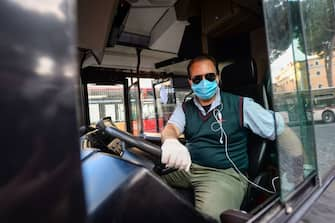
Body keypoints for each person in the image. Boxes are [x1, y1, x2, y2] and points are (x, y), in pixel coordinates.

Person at [160, 55, 285, 221]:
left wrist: (298, 166)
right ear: (190, 82)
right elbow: (171, 128)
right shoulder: (184, 108)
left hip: (224, 174)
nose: (204, 83)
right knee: (144, 181)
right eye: (197, 79)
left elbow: (277, 127)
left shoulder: (241, 104)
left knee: (209, 217)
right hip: (188, 167)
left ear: (217, 78)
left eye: (210, 76)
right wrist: (170, 141)